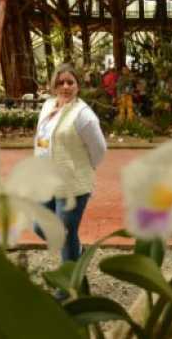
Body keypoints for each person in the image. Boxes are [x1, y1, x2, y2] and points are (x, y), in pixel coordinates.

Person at [34, 63, 106, 263]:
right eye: (60, 82)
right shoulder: (49, 105)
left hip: (72, 185)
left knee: (66, 231)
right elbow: (41, 139)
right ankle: (77, 252)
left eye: (70, 82)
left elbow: (99, 150)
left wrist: (79, 169)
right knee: (39, 225)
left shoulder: (84, 116)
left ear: (77, 86)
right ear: (54, 85)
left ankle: (68, 286)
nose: (65, 87)